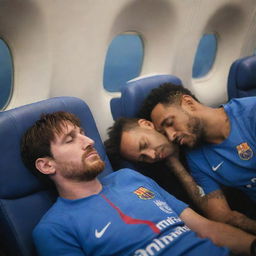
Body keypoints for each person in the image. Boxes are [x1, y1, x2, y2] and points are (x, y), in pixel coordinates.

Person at [20, 111, 256, 256]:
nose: (89, 141)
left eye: (83, 133)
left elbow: (207, 228)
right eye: (71, 140)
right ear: (47, 165)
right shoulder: (53, 229)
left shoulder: (129, 178)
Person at [136, 82, 256, 235]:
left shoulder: (250, 113)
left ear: (188, 103)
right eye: (164, 133)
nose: (171, 136)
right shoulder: (197, 158)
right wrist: (173, 160)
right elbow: (221, 216)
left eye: (170, 123)